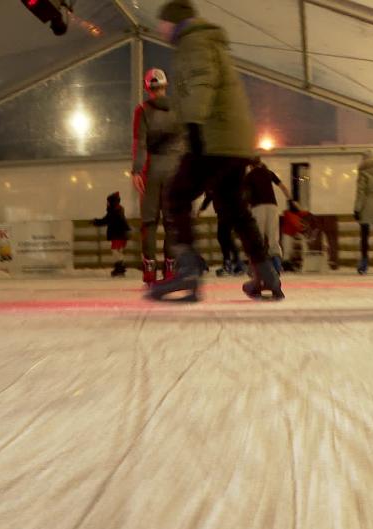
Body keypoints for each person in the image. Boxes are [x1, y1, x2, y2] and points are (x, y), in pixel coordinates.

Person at [148, 0, 282, 302]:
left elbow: (201, 84)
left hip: (214, 138)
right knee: (234, 207)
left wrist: (193, 130)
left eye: (163, 23)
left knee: (176, 195)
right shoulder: (206, 40)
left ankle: (188, 273)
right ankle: (266, 273)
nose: (159, 28)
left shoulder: (193, 42)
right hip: (232, 141)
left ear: (174, 21)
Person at [133, 68, 184, 287]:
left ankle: (150, 271)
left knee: (149, 222)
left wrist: (136, 170)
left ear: (147, 88)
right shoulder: (179, 110)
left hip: (152, 169)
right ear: (165, 85)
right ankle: (171, 269)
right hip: (174, 170)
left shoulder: (142, 110)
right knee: (172, 222)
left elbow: (140, 143)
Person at [244, 157, 292, 273]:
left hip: (258, 207)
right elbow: (283, 187)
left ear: (251, 165)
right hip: (272, 206)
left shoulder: (249, 176)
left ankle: (256, 267)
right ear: (260, 163)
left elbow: (245, 195)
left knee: (258, 236)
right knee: (273, 236)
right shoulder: (269, 173)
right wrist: (290, 200)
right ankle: (276, 265)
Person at [199, 191, 244, 277]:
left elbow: (209, 196)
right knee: (225, 237)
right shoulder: (213, 182)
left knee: (223, 236)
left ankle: (229, 263)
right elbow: (210, 196)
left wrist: (202, 208)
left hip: (226, 210)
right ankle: (236, 262)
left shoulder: (213, 181)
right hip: (225, 210)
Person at [92, 192, 132, 278]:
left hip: (118, 235)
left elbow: (106, 220)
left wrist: (96, 222)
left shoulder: (114, 211)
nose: (107, 204)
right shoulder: (117, 210)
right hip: (121, 234)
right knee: (118, 251)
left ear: (112, 202)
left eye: (108, 202)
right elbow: (108, 220)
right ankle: (120, 268)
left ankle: (120, 268)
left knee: (115, 251)